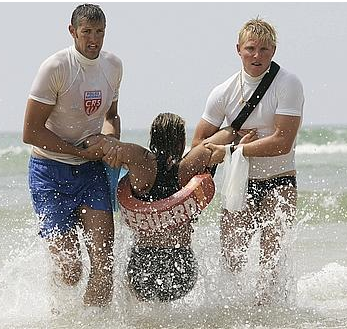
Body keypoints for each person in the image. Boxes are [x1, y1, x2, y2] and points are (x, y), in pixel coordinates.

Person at [85, 113, 257, 302]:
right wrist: (238, 138)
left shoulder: (141, 162)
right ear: (182, 142)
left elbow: (105, 146)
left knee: (142, 312)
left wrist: (99, 143)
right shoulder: (188, 165)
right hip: (181, 265)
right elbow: (223, 137)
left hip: (142, 263)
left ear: (152, 137)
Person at [192, 17, 304, 304]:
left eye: (264, 50)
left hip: (279, 181)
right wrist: (230, 134)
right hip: (239, 182)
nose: (257, 56)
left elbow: (283, 141)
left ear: (274, 51)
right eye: (251, 48)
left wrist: (233, 151)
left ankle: (269, 314)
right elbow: (198, 145)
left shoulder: (288, 83)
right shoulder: (223, 91)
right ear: (238, 49)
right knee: (232, 260)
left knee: (270, 265)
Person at [22, 3, 122, 307]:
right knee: (70, 271)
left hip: (91, 173)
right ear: (72, 31)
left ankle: (94, 324)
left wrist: (109, 142)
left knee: (104, 263)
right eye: (87, 32)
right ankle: (59, 312)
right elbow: (31, 132)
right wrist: (77, 150)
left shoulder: (113, 66)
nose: (93, 39)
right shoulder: (55, 68)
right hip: (49, 171)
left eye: (100, 32)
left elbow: (112, 116)